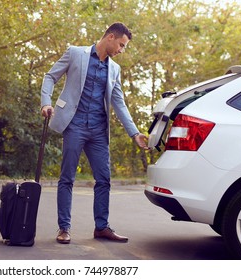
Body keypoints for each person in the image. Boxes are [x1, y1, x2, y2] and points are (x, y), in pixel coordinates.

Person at [40, 22, 148, 244]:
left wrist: (134, 133)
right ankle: (64, 228)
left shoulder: (114, 69)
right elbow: (50, 77)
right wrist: (45, 103)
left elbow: (119, 103)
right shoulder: (75, 53)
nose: (121, 50)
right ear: (110, 37)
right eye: (121, 44)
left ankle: (101, 227)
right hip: (74, 124)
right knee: (67, 177)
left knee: (104, 179)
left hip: (98, 130)